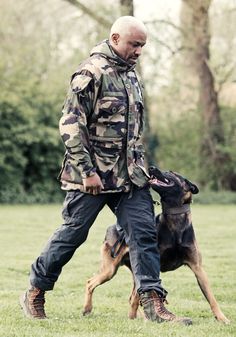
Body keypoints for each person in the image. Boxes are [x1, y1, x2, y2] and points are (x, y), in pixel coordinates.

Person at [20, 16, 192, 325]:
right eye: (134, 44)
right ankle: (36, 290)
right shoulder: (91, 73)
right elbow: (70, 125)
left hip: (130, 178)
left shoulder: (130, 76)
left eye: (142, 46)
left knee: (143, 235)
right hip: (93, 177)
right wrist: (87, 171)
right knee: (72, 234)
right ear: (115, 39)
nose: (139, 51)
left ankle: (154, 303)